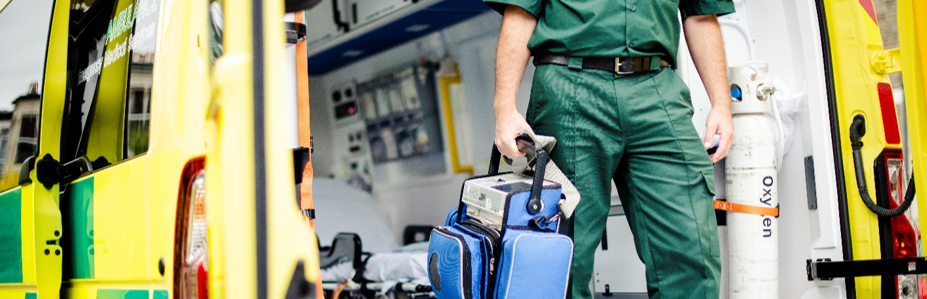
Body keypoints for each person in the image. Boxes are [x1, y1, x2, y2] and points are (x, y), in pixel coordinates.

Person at [484, 0, 735, 298]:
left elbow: (701, 13)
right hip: (570, 85)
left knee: (690, 248)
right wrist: (504, 107)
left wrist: (721, 103)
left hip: (658, 89)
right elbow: (520, 10)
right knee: (562, 254)